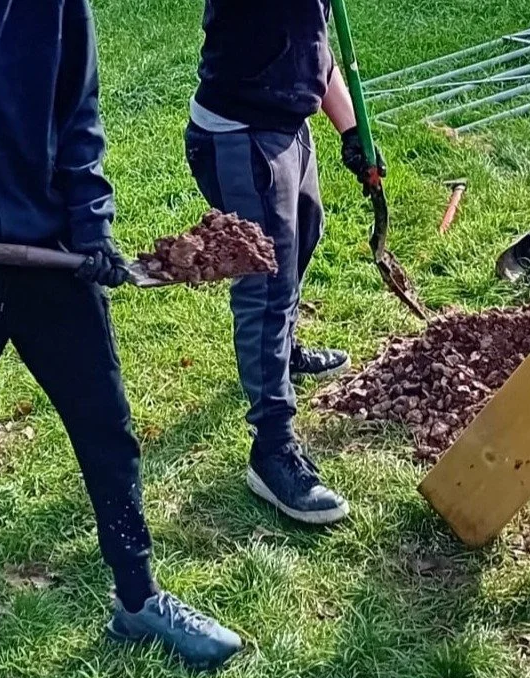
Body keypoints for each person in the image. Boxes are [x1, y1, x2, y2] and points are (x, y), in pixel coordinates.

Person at [0, 0, 242, 669]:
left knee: (105, 421)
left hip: (51, 253)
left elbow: (79, 113)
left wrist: (91, 225)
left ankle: (138, 594)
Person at [185, 0, 384, 526]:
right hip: (239, 136)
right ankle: (271, 450)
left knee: (305, 233)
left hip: (288, 128)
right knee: (266, 284)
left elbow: (313, 50)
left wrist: (349, 130)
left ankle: (283, 352)